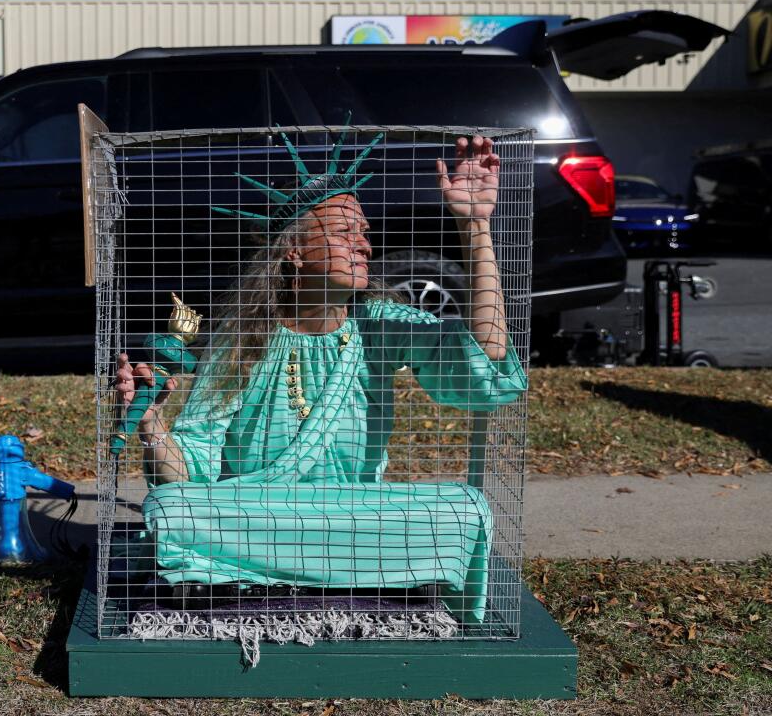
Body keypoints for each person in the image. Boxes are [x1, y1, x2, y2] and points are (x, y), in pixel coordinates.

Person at [114, 134, 527, 623]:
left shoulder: (381, 326)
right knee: (170, 510)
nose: (365, 245)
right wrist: (153, 425)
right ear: (293, 250)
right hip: (263, 522)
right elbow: (188, 476)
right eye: (344, 232)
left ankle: (264, 583)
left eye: (365, 232)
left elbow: (487, 360)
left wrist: (475, 222)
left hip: (358, 522)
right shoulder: (244, 341)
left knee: (464, 510)